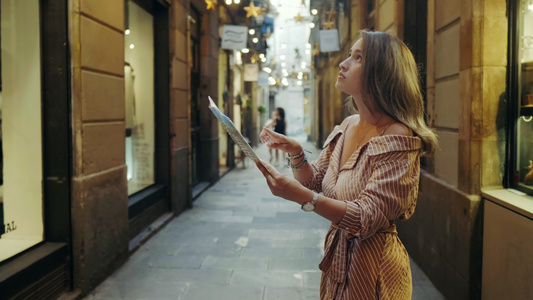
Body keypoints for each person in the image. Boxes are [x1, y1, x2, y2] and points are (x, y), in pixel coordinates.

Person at [256, 30, 438, 299]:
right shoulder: (349, 124)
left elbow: (366, 216)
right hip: (337, 263)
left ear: (381, 72)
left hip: (373, 270)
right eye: (349, 55)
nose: (343, 63)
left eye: (358, 57)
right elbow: (316, 180)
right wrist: (295, 152)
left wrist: (302, 199)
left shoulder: (397, 135)